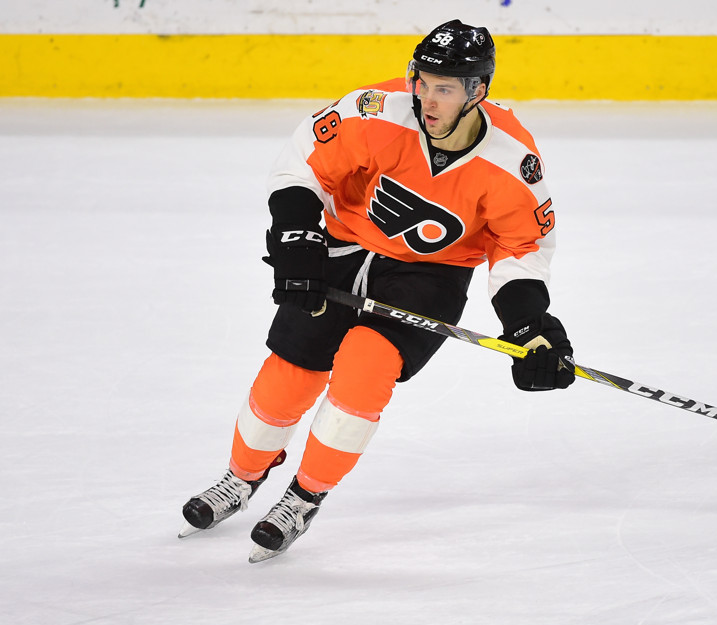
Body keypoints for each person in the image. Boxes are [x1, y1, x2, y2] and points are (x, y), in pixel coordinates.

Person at [179, 19, 576, 563]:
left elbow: (521, 247)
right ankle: (241, 477)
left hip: (429, 276)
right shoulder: (375, 110)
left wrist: (529, 324)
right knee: (287, 375)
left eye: (445, 88)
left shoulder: (512, 160)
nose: (426, 99)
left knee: (364, 368)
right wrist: (297, 240)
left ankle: (304, 496)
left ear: (478, 91)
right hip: (342, 248)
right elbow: (303, 167)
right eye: (423, 81)